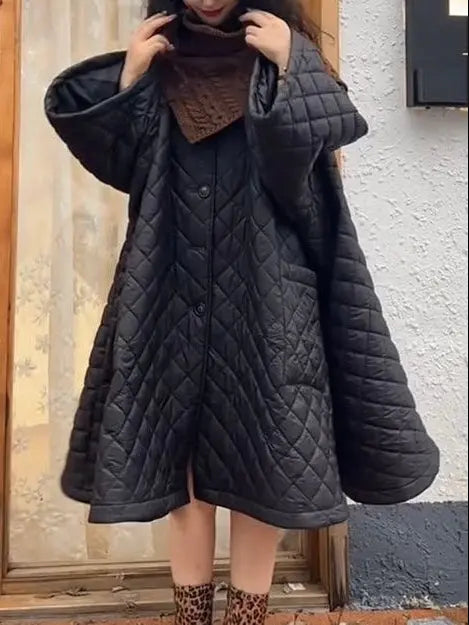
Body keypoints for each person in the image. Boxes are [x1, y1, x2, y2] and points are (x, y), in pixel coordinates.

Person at [44, 0, 440, 623]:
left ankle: (246, 618)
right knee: (185, 478)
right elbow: (124, 167)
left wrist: (290, 68)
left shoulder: (284, 54)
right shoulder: (161, 61)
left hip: (270, 300)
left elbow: (303, 180)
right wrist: (129, 81)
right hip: (166, 292)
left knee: (266, 466)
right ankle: (191, 617)